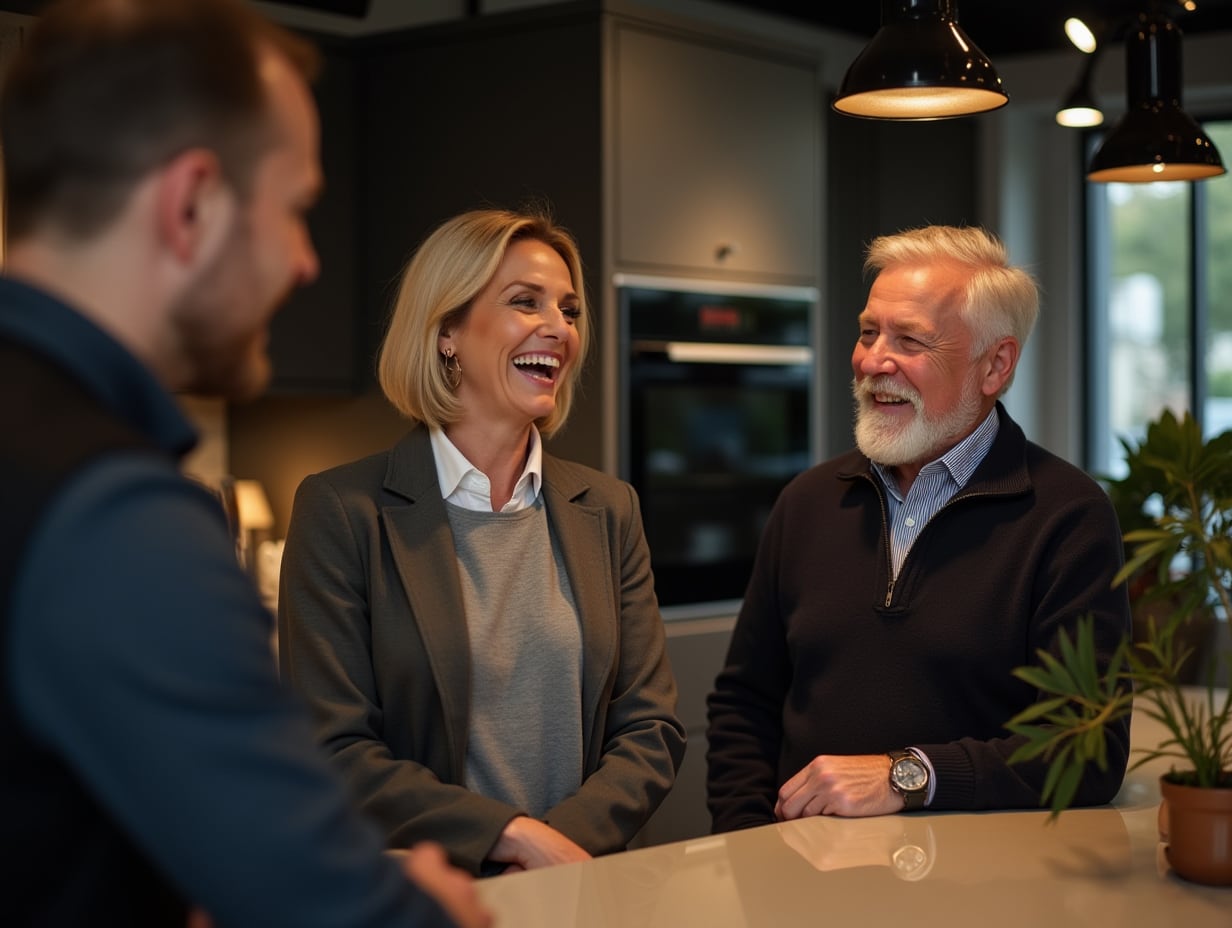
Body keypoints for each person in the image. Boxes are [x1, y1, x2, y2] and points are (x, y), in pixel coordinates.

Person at [0, 1, 489, 926]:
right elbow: (318, 898)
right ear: (189, 206)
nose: (307, 263)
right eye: (296, 209)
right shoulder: (115, 514)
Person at [278, 207, 687, 876]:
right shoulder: (342, 511)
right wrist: (511, 837)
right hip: (425, 899)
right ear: (446, 333)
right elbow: (335, 746)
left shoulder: (609, 509)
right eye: (525, 303)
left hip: (580, 885)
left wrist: (557, 847)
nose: (558, 328)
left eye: (570, 310)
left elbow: (650, 728)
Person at [705, 224, 1132, 832]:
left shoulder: (1068, 517)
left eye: (910, 340)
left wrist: (908, 775)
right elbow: (744, 707)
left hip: (982, 895)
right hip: (803, 883)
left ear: (995, 365)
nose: (873, 360)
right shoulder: (807, 502)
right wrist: (747, 847)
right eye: (867, 332)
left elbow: (1087, 749)